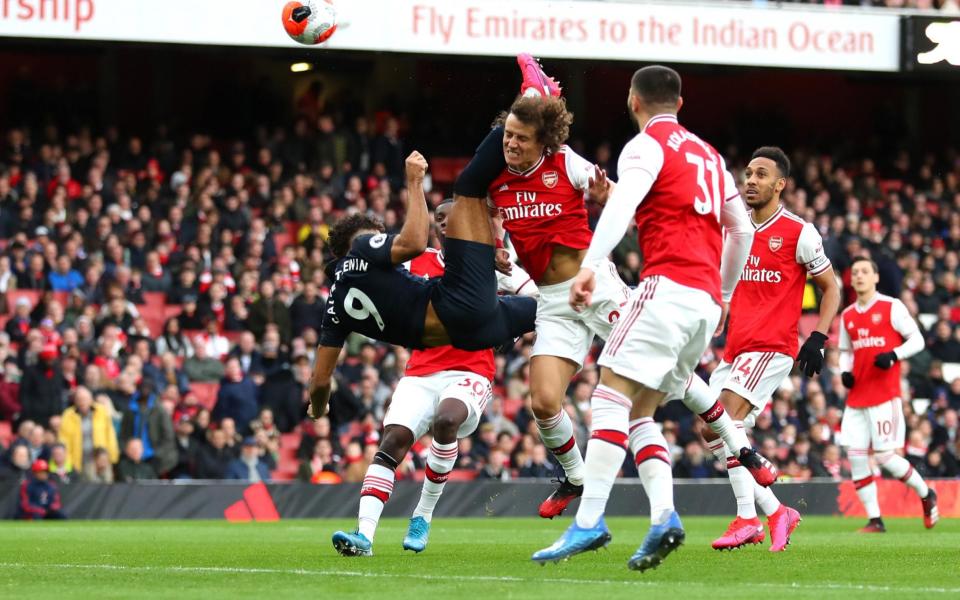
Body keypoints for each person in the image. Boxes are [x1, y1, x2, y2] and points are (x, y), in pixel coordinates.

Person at [532, 65, 754, 571]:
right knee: (639, 413)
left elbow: (624, 203)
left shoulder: (644, 146)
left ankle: (588, 522)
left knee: (607, 395)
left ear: (634, 101)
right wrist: (720, 294)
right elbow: (741, 231)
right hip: (701, 304)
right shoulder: (712, 157)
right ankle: (664, 518)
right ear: (681, 102)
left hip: (665, 288)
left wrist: (590, 264)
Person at [331, 198, 537, 557]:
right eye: (438, 218)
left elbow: (536, 298)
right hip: (421, 371)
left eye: (451, 217)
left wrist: (508, 329)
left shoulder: (492, 262)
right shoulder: (416, 258)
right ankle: (363, 535)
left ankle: (422, 515)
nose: (443, 223)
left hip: (470, 369)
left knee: (447, 419)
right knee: (393, 441)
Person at [307, 127, 540, 419]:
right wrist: (415, 181)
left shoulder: (334, 309)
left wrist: (318, 408)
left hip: (467, 335)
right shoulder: (364, 247)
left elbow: (319, 381)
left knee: (546, 309)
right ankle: (513, 122)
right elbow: (415, 242)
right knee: (468, 187)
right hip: (456, 305)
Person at [486, 54, 629, 518]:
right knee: (544, 401)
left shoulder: (565, 162)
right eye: (507, 135)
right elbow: (489, 212)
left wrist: (608, 197)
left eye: (520, 138)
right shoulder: (496, 178)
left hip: (595, 284)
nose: (510, 143)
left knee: (661, 375)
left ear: (543, 142)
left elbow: (615, 193)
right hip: (552, 300)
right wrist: (496, 240)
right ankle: (575, 476)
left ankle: (733, 443)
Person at [680, 147, 840, 552]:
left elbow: (831, 288)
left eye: (761, 175)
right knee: (709, 428)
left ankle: (747, 519)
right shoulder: (733, 230)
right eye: (748, 173)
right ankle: (775, 510)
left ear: (780, 184)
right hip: (735, 348)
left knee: (727, 421)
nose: (750, 180)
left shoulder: (799, 232)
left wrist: (819, 336)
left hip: (772, 347)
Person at [839, 256, 938, 532]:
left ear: (876, 277)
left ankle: (926, 494)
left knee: (884, 457)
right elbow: (845, 353)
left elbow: (917, 340)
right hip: (856, 397)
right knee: (856, 456)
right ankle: (875, 520)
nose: (859, 276)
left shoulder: (891, 306)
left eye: (864, 271)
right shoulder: (847, 315)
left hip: (885, 395)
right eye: (855, 272)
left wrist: (894, 355)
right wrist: (844, 372)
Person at [59, 386, 120, 478]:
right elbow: (64, 441)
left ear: (91, 399)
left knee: (107, 486)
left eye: (85, 399)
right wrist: (69, 462)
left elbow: (110, 435)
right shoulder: (68, 415)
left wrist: (112, 457)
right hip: (79, 461)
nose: (82, 402)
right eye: (79, 399)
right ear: (75, 401)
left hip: (102, 460)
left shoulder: (101, 411)